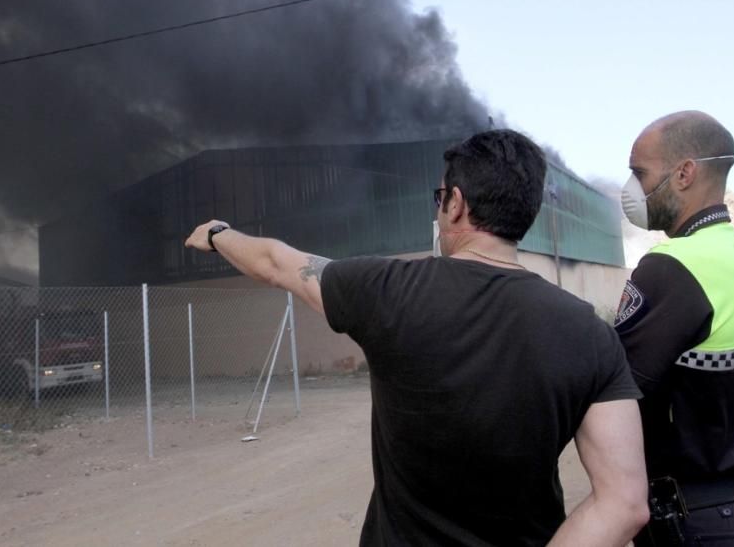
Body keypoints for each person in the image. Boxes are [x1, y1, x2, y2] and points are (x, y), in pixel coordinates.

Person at [186, 129, 648, 546]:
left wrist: (217, 233)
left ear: (456, 203)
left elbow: (274, 262)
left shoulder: (385, 289)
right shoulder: (589, 332)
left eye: (440, 196)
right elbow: (624, 504)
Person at [615, 111, 734, 545]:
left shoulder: (673, 267)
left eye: (639, 173)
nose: (631, 188)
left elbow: (618, 390)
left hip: (698, 518)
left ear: (684, 173)